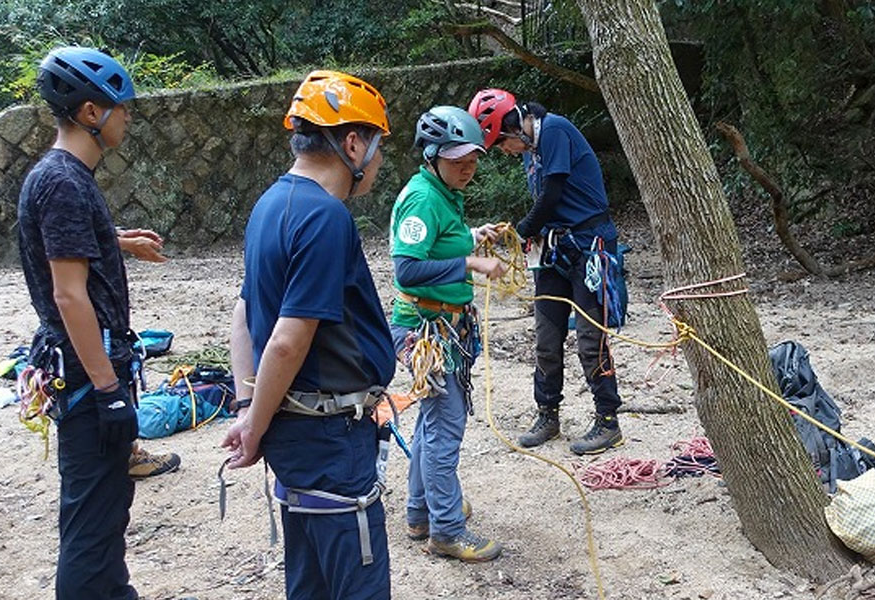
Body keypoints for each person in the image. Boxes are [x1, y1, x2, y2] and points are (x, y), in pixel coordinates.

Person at [221, 70, 396, 599]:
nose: (379, 160)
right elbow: (286, 340)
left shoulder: (270, 204)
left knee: (311, 578)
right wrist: (254, 424)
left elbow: (244, 313)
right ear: (351, 143)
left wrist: (251, 406)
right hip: (329, 435)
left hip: (299, 435)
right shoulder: (325, 218)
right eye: (377, 145)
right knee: (354, 579)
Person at [15, 46, 142, 600]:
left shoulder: (59, 175)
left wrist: (116, 243)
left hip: (87, 368)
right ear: (92, 112)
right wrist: (110, 389)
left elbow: (59, 251)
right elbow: (69, 296)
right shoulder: (65, 182)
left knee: (105, 506)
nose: (128, 117)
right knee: (94, 515)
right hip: (90, 373)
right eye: (122, 108)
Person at [468, 88, 625, 455]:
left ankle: (608, 420)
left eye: (502, 143)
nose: (505, 152)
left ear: (513, 127)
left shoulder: (554, 130)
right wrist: (528, 235)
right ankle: (548, 413)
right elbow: (547, 205)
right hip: (555, 249)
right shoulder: (532, 151)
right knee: (546, 337)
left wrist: (518, 232)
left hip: (589, 246)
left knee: (589, 339)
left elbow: (552, 193)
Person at [389, 105, 510, 562]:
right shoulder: (422, 198)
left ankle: (421, 513)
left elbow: (440, 241)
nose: (469, 167)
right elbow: (407, 268)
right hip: (425, 330)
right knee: (445, 427)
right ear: (432, 155)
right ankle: (446, 530)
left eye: (474, 158)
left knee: (432, 422)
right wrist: (469, 263)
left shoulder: (444, 193)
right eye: (458, 159)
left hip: (446, 326)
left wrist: (473, 237)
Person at [112, 228, 183, 479]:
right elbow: (69, 237)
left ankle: (128, 453)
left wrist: (119, 236)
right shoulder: (62, 187)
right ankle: (124, 457)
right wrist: (125, 243)